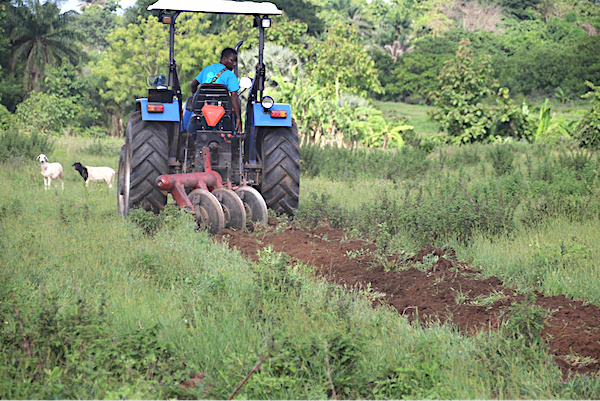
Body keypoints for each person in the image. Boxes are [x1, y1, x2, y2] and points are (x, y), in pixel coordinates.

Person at [189, 47, 242, 133]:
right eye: (232, 60)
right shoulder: (230, 75)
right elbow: (233, 95)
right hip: (223, 111)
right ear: (224, 59)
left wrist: (195, 95)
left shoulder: (206, 69)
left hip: (203, 108)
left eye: (235, 61)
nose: (235, 64)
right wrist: (238, 118)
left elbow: (193, 84)